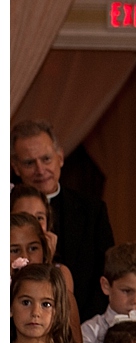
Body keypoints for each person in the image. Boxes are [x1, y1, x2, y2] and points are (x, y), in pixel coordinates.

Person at [11, 120, 116, 321]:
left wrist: (83, 327)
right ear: (16, 167)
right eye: (29, 163)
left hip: (85, 322)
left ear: (60, 157)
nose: (40, 170)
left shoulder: (92, 209)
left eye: (46, 159)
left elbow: (106, 272)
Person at [11, 210, 82, 343]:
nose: (25, 257)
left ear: (44, 250)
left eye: (33, 248)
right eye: (14, 250)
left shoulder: (63, 297)